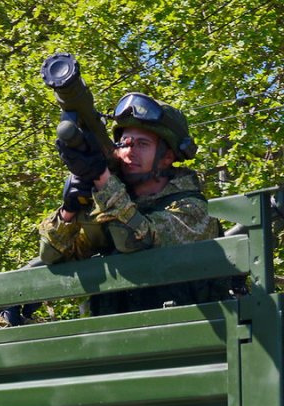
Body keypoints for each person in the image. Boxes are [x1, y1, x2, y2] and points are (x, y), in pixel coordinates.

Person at [37, 92, 227, 315]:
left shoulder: (192, 209)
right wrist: (70, 209)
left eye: (142, 144)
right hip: (114, 341)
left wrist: (102, 177)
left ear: (168, 156)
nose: (129, 152)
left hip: (188, 340)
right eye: (124, 143)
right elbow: (51, 255)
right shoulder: (110, 200)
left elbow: (136, 239)